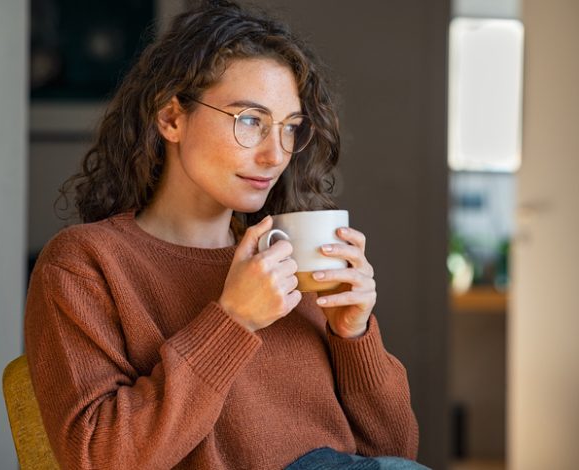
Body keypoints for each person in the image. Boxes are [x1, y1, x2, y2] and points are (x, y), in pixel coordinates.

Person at [24, 1, 427, 469]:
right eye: (251, 121)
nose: (276, 154)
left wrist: (354, 335)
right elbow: (97, 457)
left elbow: (397, 453)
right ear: (172, 118)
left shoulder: (292, 258)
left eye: (291, 128)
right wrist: (234, 321)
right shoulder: (84, 264)